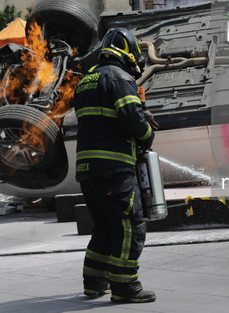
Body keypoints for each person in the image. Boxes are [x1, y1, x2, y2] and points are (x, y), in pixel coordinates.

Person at [74, 27, 156, 304]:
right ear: (127, 52)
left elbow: (105, 115)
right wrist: (147, 134)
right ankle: (125, 287)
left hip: (88, 168)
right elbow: (131, 117)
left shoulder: (88, 79)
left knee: (106, 227)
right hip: (114, 167)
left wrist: (138, 113)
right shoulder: (120, 77)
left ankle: (95, 282)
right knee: (130, 226)